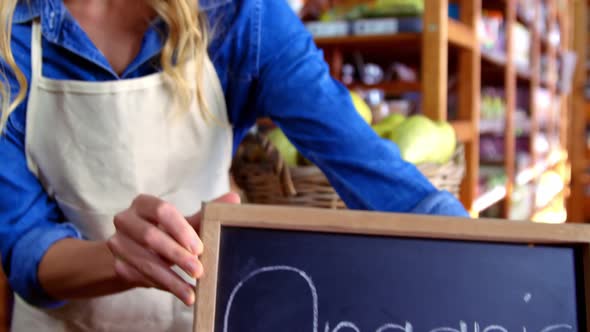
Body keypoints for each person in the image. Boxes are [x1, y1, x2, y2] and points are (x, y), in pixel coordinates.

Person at [0, 0, 469, 330]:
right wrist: (116, 259)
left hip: (200, 318)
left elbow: (382, 180)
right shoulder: (10, 35)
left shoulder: (243, 18)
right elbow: (24, 246)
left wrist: (501, 265)